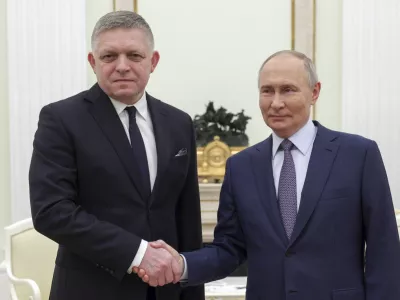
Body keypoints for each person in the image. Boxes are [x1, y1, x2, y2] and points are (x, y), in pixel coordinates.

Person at [135, 50, 400, 299]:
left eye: (288, 90)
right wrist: (181, 264)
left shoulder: (358, 154)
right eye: (267, 91)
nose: (276, 103)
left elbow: (384, 249)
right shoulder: (240, 167)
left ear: (314, 92)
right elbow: (229, 248)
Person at [29, 10, 204, 300]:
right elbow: (51, 212)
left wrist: (191, 289)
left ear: (153, 61)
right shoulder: (60, 119)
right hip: (90, 291)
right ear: (92, 62)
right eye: (109, 56)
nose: (122, 66)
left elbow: (187, 220)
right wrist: (138, 253)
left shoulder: (179, 123)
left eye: (134, 56)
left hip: (166, 293)